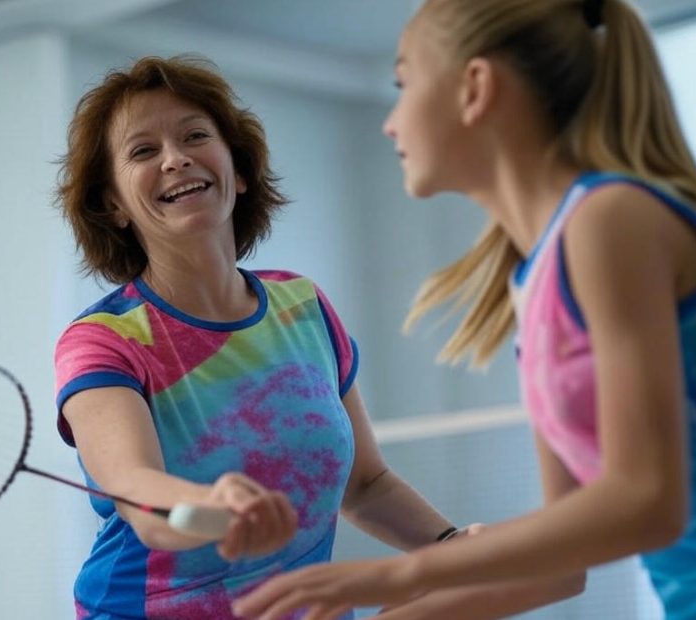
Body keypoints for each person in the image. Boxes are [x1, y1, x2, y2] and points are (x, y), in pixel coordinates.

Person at [232, 0, 696, 619]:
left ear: (475, 88)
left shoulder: (611, 221)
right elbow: (558, 568)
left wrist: (398, 573)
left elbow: (648, 502)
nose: (391, 124)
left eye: (404, 84)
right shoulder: (535, 281)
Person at [53, 55, 462, 620]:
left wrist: (455, 549)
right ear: (114, 205)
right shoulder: (102, 341)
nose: (175, 159)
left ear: (239, 171)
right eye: (143, 151)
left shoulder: (303, 307)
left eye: (195, 136)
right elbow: (138, 495)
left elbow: (366, 486)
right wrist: (210, 505)